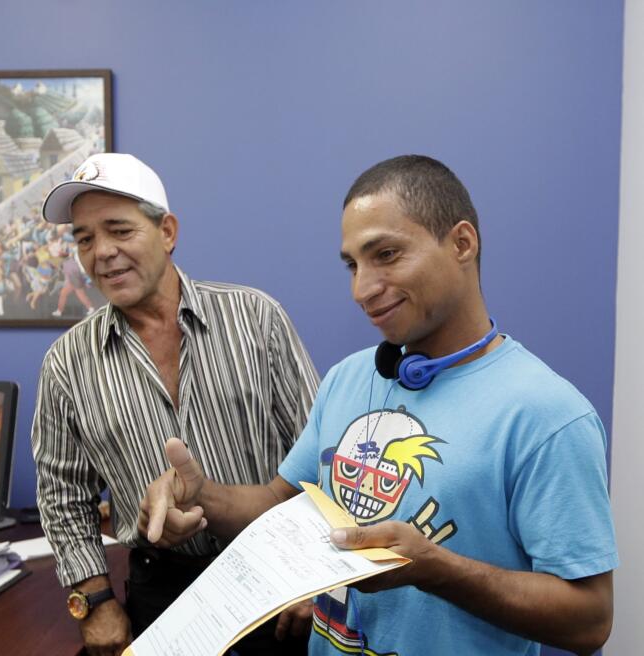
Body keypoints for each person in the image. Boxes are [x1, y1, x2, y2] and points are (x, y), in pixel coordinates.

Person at [140, 155, 617, 655]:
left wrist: (436, 570)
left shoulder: (549, 414)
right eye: (352, 265)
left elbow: (589, 620)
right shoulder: (348, 377)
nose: (361, 289)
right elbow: (283, 502)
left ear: (461, 243)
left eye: (386, 254)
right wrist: (203, 496)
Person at [31, 153, 320, 655]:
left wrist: (317, 569)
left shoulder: (256, 319)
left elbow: (323, 455)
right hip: (161, 595)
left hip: (277, 587)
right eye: (84, 238)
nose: (101, 252)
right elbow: (63, 498)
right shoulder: (67, 363)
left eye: (119, 230)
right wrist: (94, 600)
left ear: (166, 231)